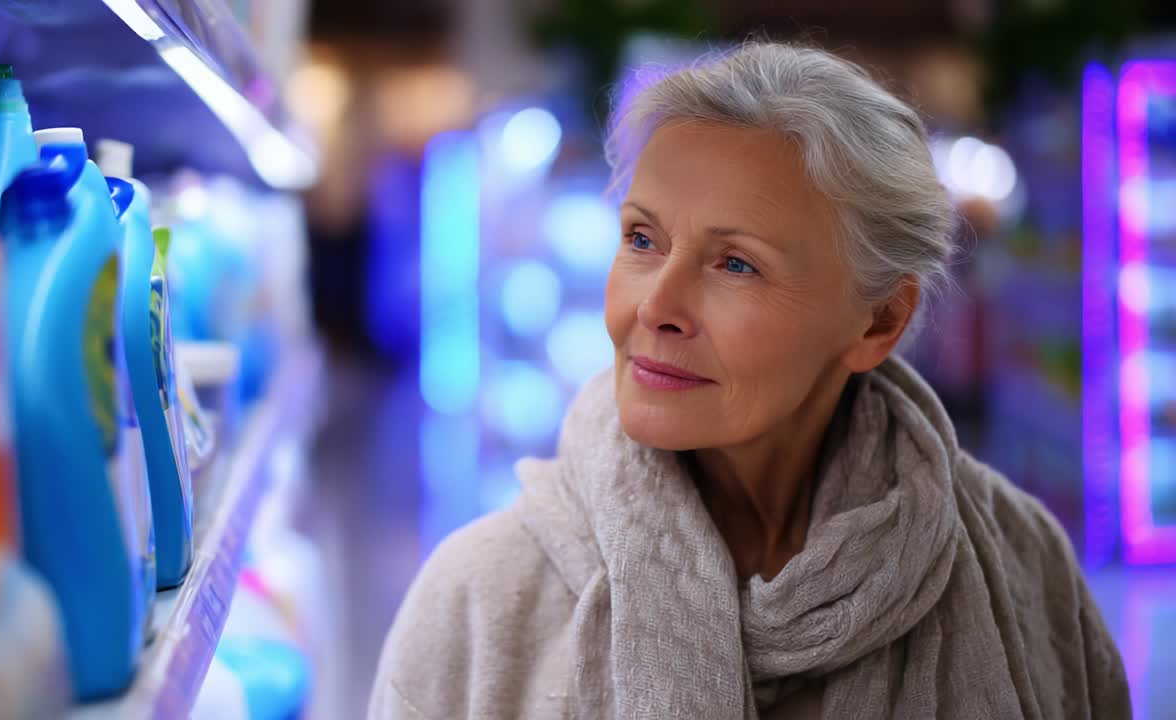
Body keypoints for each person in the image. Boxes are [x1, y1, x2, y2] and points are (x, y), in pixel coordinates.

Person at [368, 42, 1131, 719]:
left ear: (878, 324)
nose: (655, 306)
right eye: (641, 238)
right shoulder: (482, 599)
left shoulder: (1024, 567)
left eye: (736, 263)